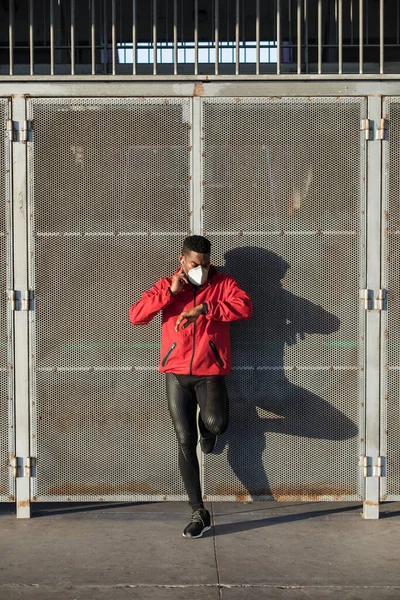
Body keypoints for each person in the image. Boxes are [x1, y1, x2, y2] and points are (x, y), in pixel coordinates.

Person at [129, 235, 252, 538]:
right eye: (195, 263)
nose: (201, 269)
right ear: (182, 260)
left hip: (210, 372)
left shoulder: (222, 283)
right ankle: (199, 511)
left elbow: (244, 307)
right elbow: (136, 316)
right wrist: (169, 295)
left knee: (217, 423)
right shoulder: (167, 285)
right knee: (185, 441)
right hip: (176, 373)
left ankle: (208, 428)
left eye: (206, 263)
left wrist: (206, 308)